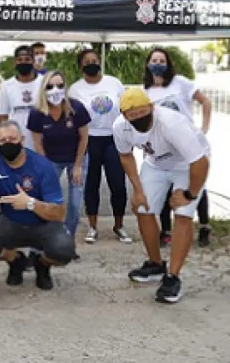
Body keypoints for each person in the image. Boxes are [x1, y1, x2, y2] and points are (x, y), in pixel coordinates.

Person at [113, 87, 210, 304]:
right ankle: (156, 264)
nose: (138, 117)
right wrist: (138, 191)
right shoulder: (120, 127)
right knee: (142, 208)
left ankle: (173, 277)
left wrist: (189, 194)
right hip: (156, 163)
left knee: (183, 214)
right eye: (132, 114)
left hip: (187, 163)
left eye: (142, 111)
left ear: (151, 107)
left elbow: (200, 162)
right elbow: (126, 156)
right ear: (124, 115)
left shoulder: (171, 123)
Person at [0, 121, 76, 291]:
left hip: (43, 223)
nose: (8, 143)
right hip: (10, 220)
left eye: (12, 139)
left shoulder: (42, 165)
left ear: (22, 140)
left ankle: (42, 263)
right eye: (3, 141)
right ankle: (15, 260)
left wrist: (30, 203)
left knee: (64, 251)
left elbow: (59, 213)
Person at [143, 48, 213, 247]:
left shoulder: (180, 83)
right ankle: (166, 230)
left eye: (162, 60)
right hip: (164, 149)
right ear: (148, 64)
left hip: (187, 144)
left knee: (197, 186)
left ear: (168, 63)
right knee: (166, 189)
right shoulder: (146, 91)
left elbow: (205, 101)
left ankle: (205, 226)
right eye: (154, 60)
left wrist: (204, 127)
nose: (158, 63)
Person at [69, 48, 131, 244]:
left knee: (118, 185)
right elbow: (73, 118)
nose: (91, 64)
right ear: (80, 67)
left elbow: (126, 110)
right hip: (89, 141)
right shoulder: (75, 89)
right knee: (90, 185)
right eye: (86, 61)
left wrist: (129, 136)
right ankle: (93, 226)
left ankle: (119, 226)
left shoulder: (114, 83)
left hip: (113, 139)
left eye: (94, 60)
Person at [27, 70, 90, 243]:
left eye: (60, 85)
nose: (55, 90)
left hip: (77, 157)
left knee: (75, 204)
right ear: (43, 89)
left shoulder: (76, 108)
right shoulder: (37, 113)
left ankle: (67, 239)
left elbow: (84, 138)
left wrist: (78, 166)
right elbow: (37, 144)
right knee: (47, 200)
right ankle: (45, 238)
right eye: (50, 86)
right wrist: (46, 169)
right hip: (51, 159)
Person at [0, 45, 43, 151]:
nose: (23, 62)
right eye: (20, 60)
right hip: (16, 142)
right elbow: (3, 116)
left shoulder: (44, 83)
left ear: (33, 61)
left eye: (27, 59)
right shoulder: (7, 85)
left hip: (41, 144)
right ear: (15, 62)